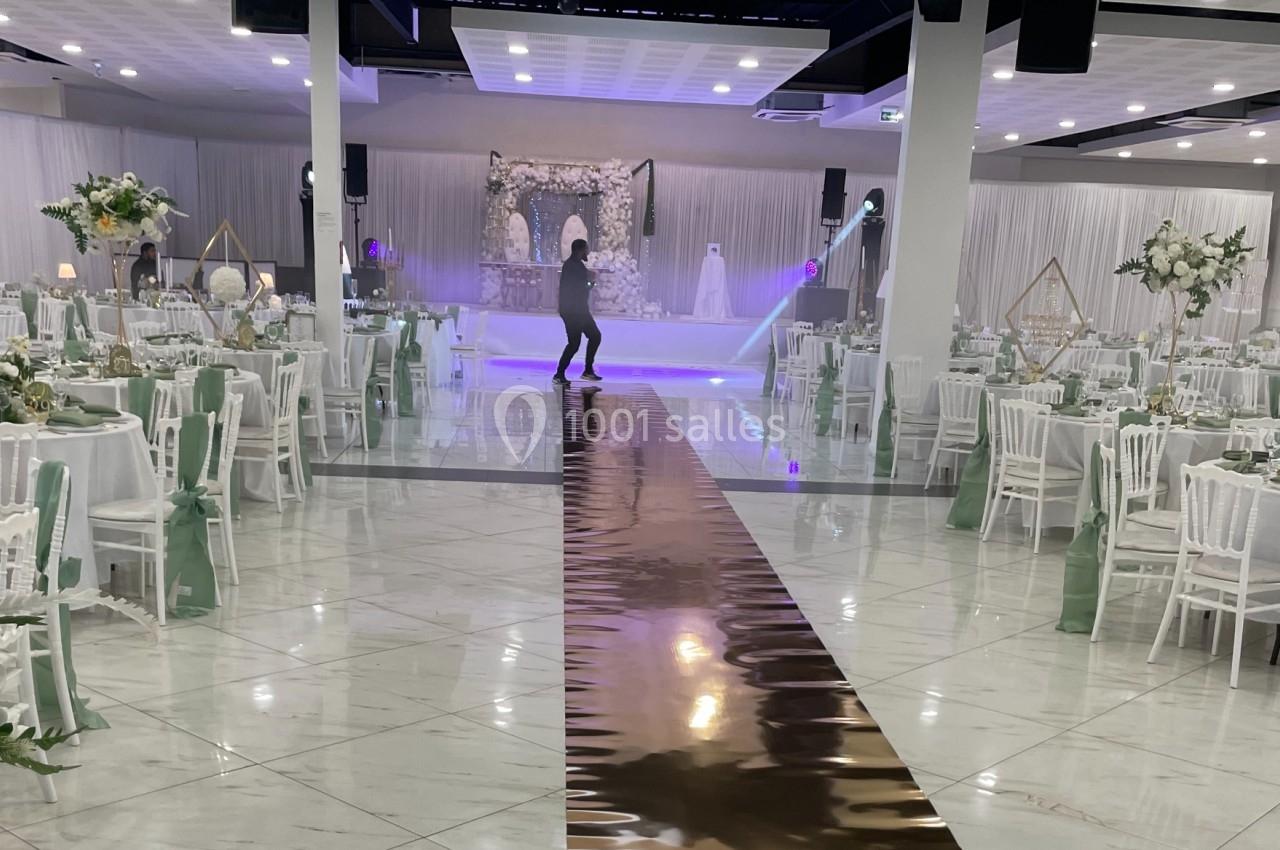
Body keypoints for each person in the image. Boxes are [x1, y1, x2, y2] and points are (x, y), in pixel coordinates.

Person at [553, 238, 603, 385]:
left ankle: (584, 370)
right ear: (580, 251)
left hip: (577, 310)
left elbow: (581, 286)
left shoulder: (575, 265)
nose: (587, 252)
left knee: (592, 337)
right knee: (577, 342)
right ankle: (560, 373)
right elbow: (580, 288)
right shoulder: (573, 267)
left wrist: (589, 281)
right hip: (574, 312)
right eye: (586, 249)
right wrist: (590, 281)